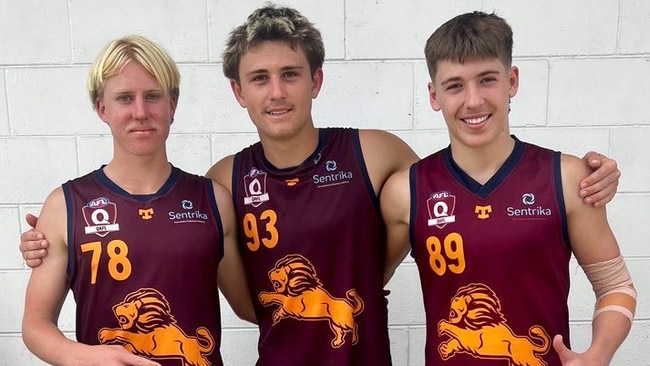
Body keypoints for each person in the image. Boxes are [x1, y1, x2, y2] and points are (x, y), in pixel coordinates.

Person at [20, 4, 622, 366]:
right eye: (259, 78)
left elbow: (456, 194)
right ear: (239, 92)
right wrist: (53, 242)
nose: (276, 91)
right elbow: (231, 295)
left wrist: (579, 179)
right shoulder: (221, 183)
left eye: (290, 75)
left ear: (317, 80)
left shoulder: (377, 153)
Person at [380, 11, 637, 366]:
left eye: (486, 80)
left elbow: (616, 288)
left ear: (512, 80)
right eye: (454, 85)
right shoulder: (405, 192)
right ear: (433, 94)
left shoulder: (567, 178)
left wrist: (598, 354)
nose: (472, 101)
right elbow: (360, 283)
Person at [21, 35, 253, 366]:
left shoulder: (213, 200)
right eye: (125, 98)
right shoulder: (64, 205)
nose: (141, 112)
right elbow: (34, 325)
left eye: (153, 96)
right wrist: (82, 356)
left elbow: (249, 307)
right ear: (103, 108)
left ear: (172, 105)